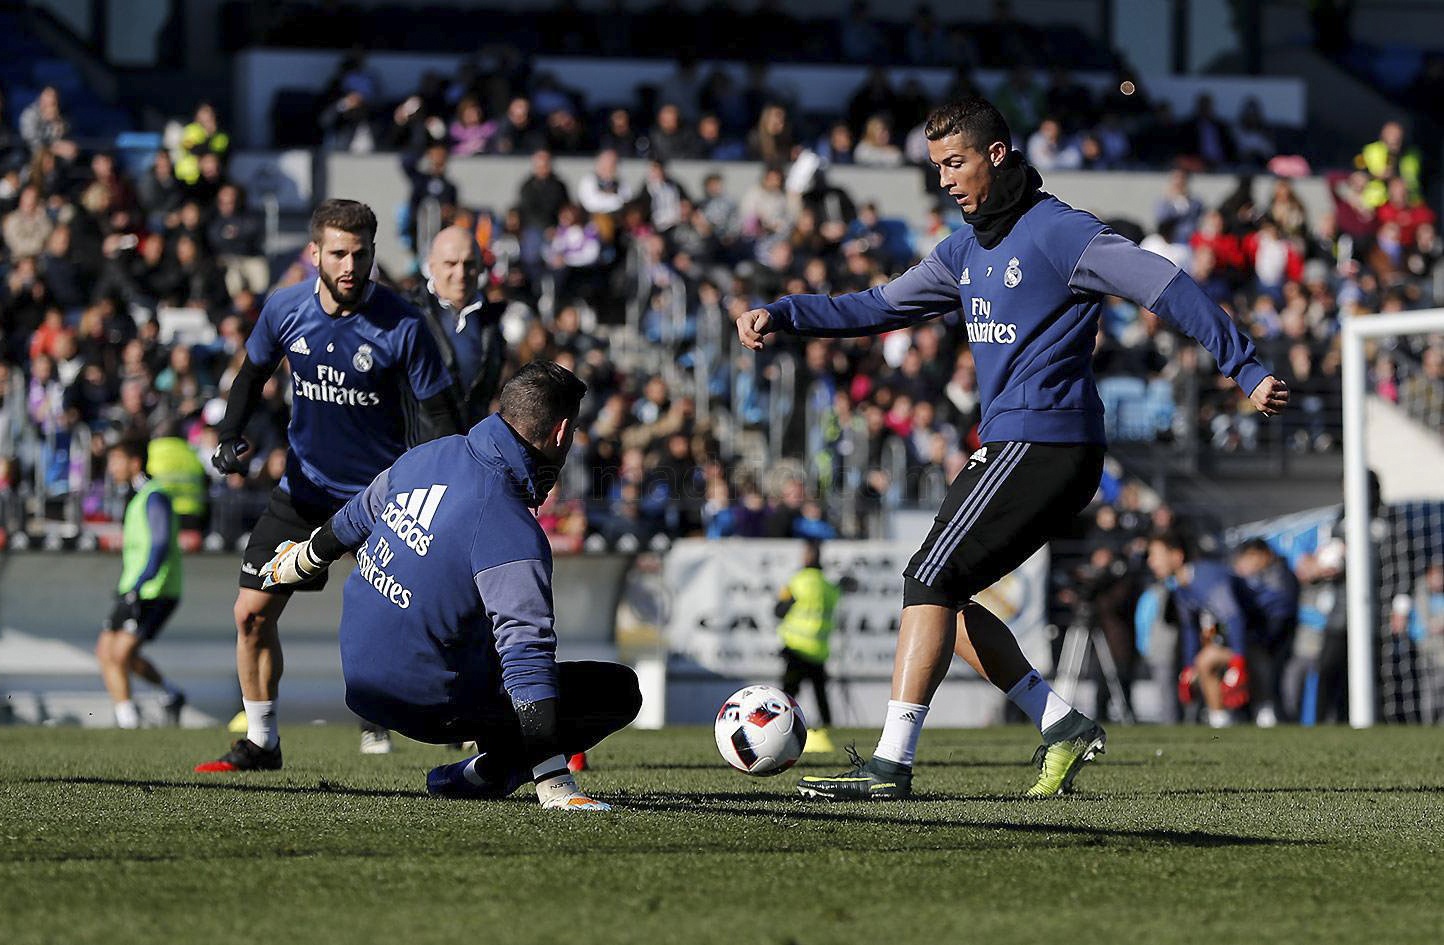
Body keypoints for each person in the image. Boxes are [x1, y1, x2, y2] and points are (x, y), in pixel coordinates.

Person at [736, 97, 1289, 800]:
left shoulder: (1061, 232)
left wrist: (1243, 365)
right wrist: (782, 313)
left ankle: (891, 765)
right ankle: (1059, 723)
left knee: (927, 577)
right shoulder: (964, 249)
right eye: (936, 166)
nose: (944, 179)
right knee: (941, 593)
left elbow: (1164, 284)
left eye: (956, 162)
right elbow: (876, 306)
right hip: (1021, 443)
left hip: (1047, 440)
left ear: (997, 155)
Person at [258, 361, 639, 810]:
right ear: (560, 433)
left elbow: (359, 512)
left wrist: (302, 559)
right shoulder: (510, 527)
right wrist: (554, 780)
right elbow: (525, 653)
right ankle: (488, 774)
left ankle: (475, 773)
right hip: (428, 700)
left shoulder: (430, 454)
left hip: (359, 680)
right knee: (617, 690)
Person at [196, 199, 461, 772]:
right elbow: (251, 373)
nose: (349, 265)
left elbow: (442, 417)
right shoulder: (286, 308)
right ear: (315, 252)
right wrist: (230, 434)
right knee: (250, 614)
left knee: (427, 620)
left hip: (380, 503)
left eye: (360, 254)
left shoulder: (403, 325)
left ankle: (479, 728)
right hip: (305, 491)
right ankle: (262, 740)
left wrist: (449, 482)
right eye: (338, 253)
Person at [94, 438, 187, 729]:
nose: (111, 467)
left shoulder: (155, 495)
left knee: (120, 653)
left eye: (116, 460)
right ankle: (170, 694)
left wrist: (141, 582)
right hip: (135, 587)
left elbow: (159, 543)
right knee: (106, 650)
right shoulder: (137, 496)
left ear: (135, 462)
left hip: (155, 589)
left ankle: (128, 720)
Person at [1146, 531, 1257, 728]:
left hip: (1257, 640)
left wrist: (1238, 662)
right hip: (1233, 642)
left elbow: (1235, 617)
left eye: (1155, 554)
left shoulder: (1206, 576)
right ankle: (1220, 722)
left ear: (1176, 555)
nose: (1151, 562)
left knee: (1206, 661)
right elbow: (1190, 629)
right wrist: (1188, 668)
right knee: (1203, 663)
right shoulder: (1180, 587)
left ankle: (1221, 721)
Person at [415, 226, 507, 427]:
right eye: (451, 263)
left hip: (471, 448)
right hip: (419, 449)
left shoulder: (492, 320)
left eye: (469, 263)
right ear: (432, 266)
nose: (461, 273)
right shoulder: (409, 315)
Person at [776, 540, 841, 753]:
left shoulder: (796, 582)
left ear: (805, 557)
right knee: (821, 697)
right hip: (818, 651)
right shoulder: (827, 585)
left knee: (786, 696)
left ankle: (778, 727)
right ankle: (829, 734)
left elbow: (778, 610)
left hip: (796, 648)